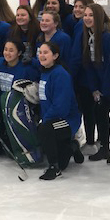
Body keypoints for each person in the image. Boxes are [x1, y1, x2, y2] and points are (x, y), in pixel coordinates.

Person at [36, 42, 82, 180]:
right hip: (52, 119)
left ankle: (54, 168)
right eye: (40, 52)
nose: (42, 55)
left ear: (55, 55)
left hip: (67, 120)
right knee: (63, 161)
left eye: (46, 53)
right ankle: (72, 146)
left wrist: (44, 121)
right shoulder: (44, 72)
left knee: (45, 129)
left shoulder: (60, 75)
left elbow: (60, 107)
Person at [80, 4, 110, 162]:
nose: (87, 18)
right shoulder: (88, 35)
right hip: (101, 85)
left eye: (91, 15)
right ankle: (104, 147)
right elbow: (89, 64)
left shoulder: (109, 36)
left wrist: (105, 89)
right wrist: (94, 88)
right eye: (86, 15)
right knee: (100, 113)